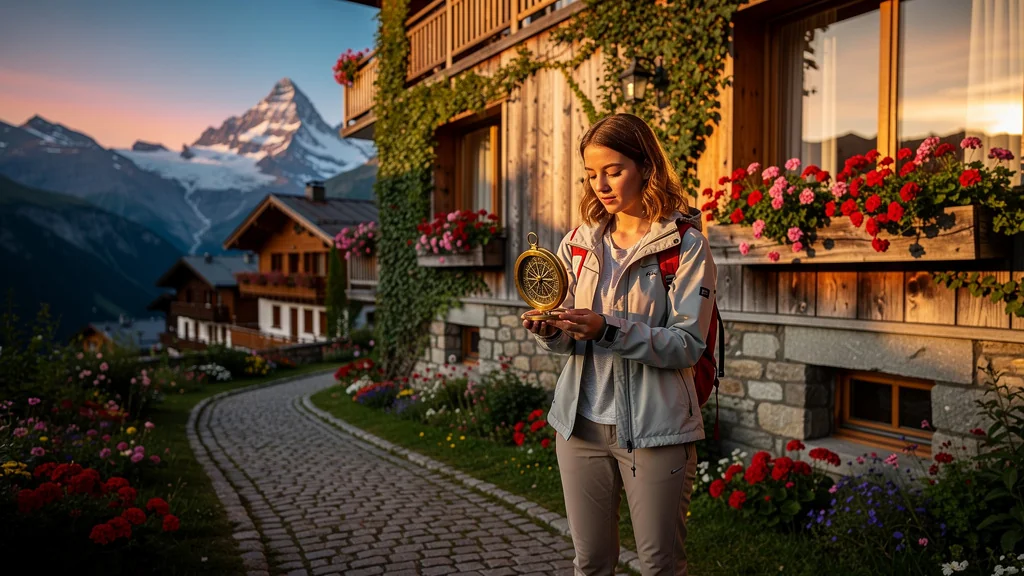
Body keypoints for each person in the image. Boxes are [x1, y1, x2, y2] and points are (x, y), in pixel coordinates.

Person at [522, 113, 718, 575]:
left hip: (657, 430)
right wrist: (553, 329)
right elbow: (573, 336)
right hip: (580, 427)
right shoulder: (578, 243)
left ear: (646, 167)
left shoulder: (684, 246)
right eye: (592, 175)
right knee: (590, 563)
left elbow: (687, 345)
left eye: (613, 171)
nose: (600, 185)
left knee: (659, 565)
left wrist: (607, 329)